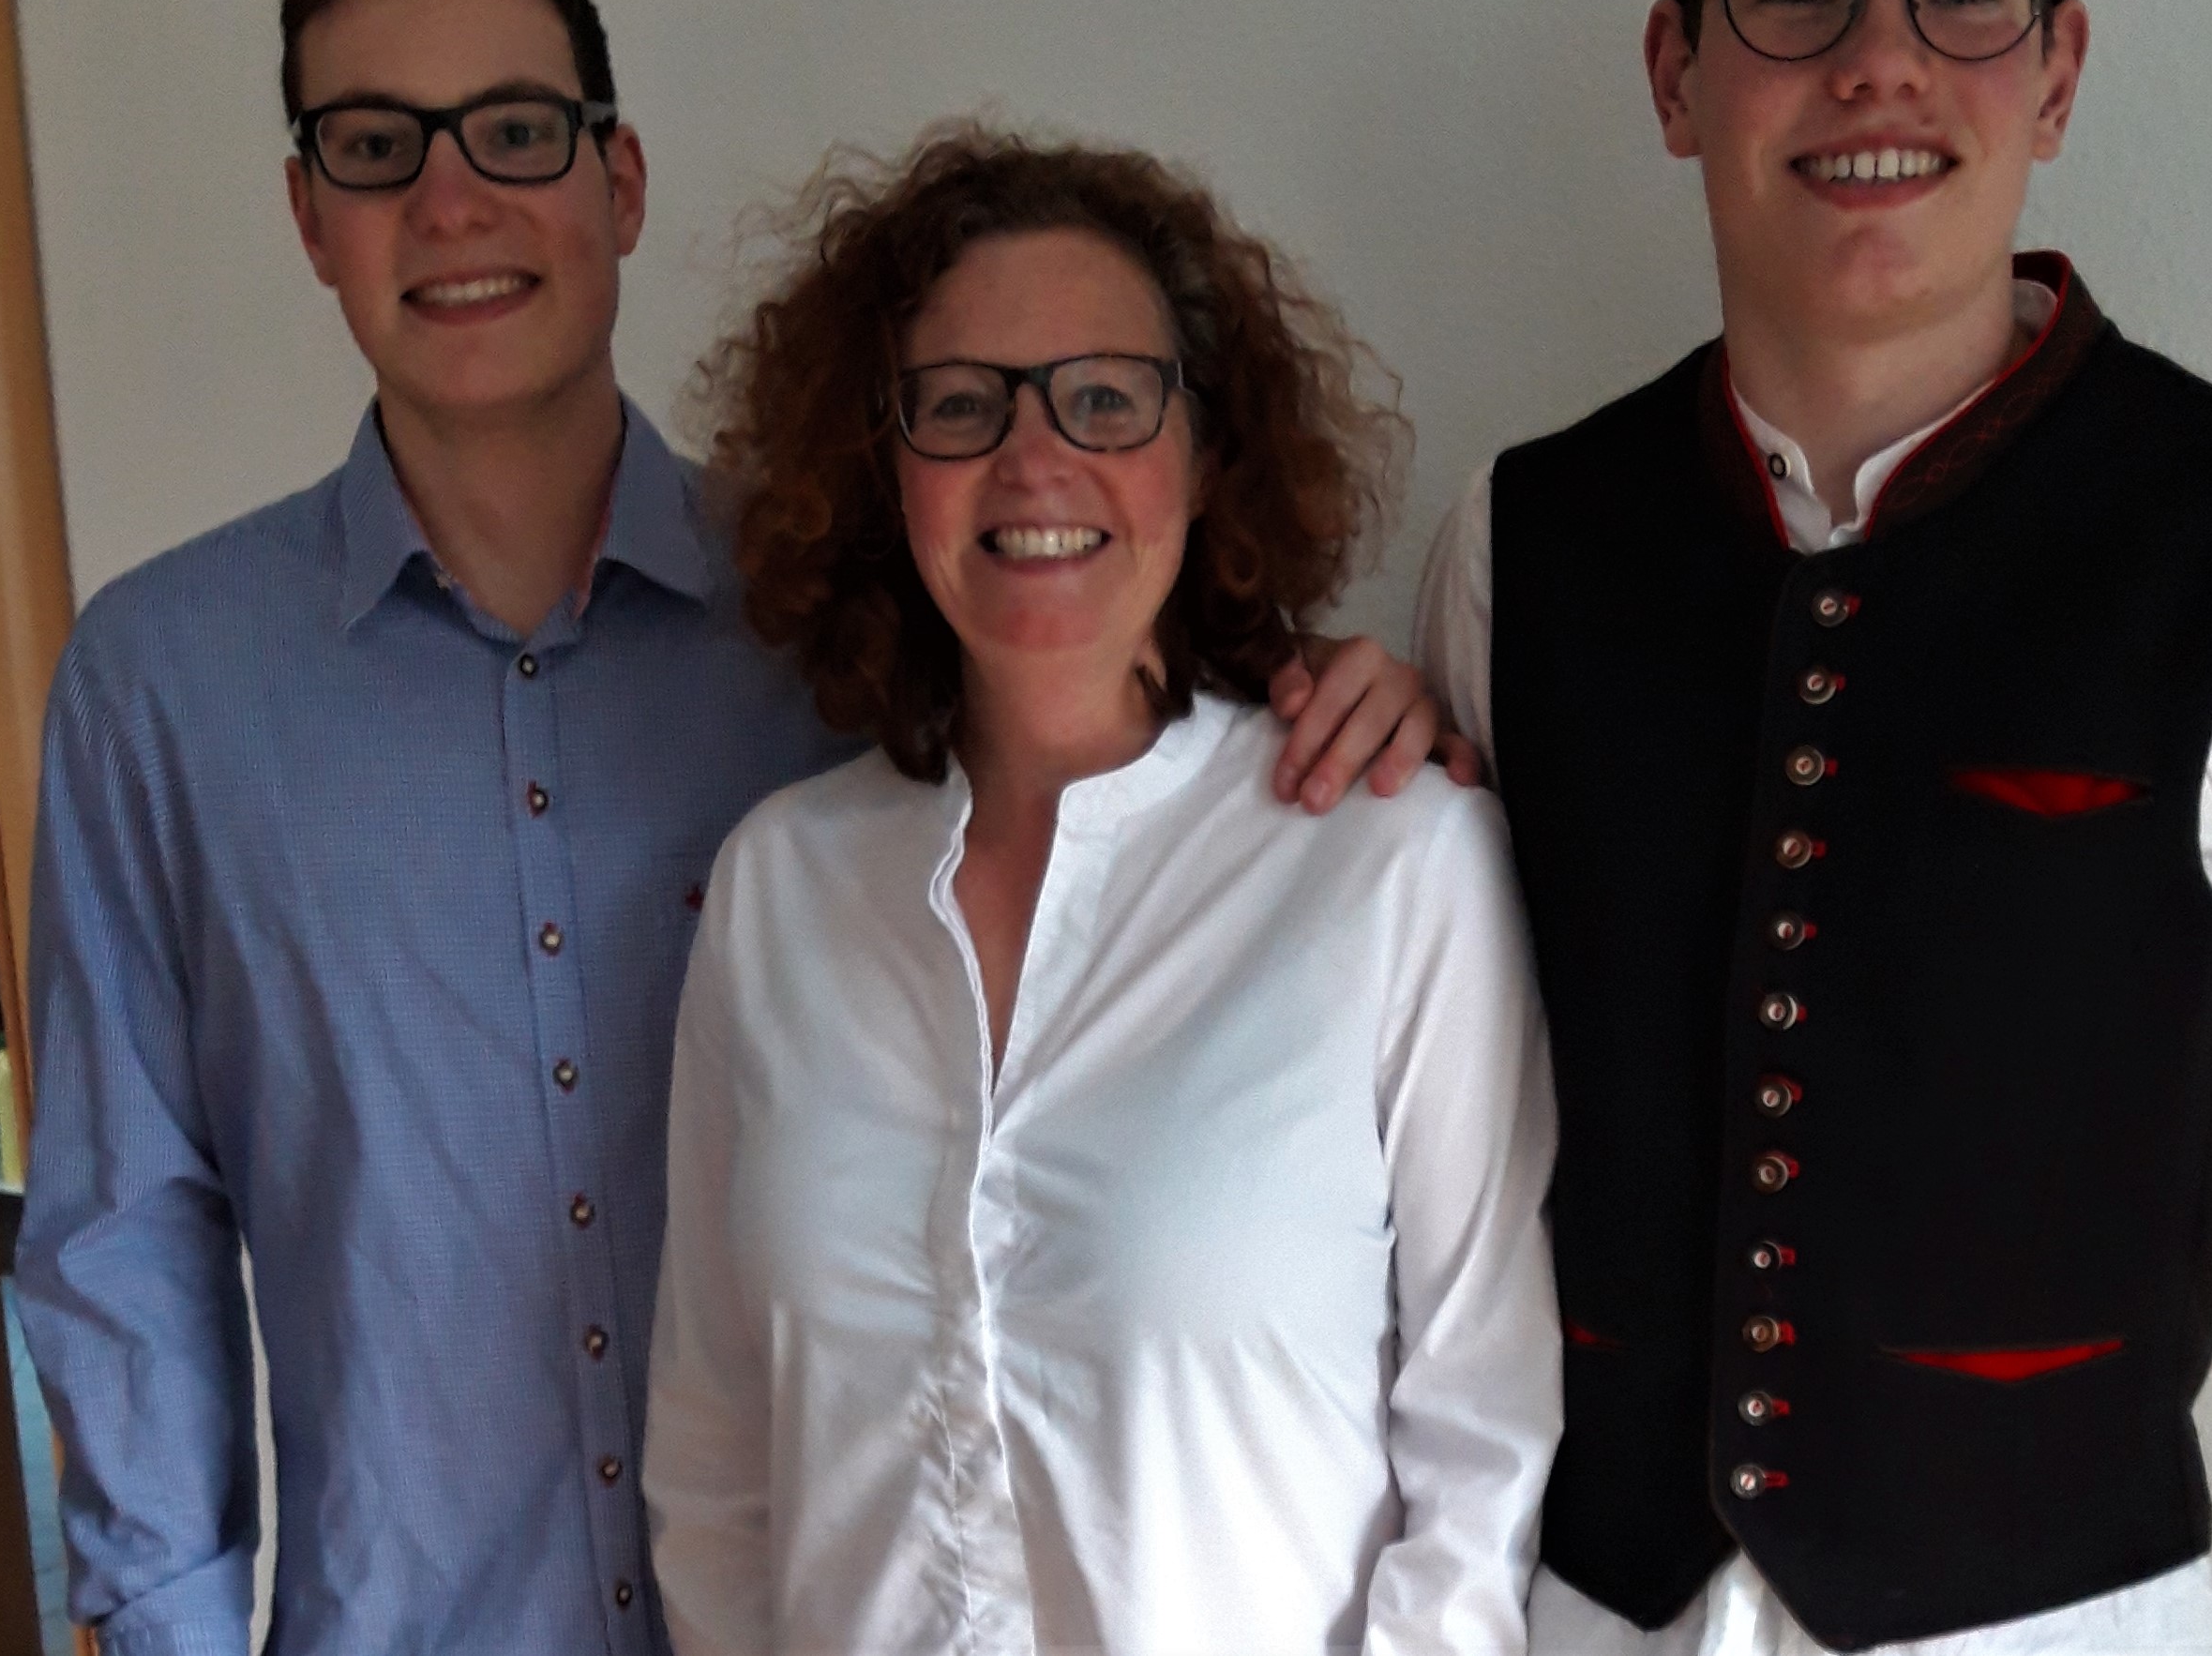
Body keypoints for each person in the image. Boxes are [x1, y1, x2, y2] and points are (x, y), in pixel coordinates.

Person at [15, 0, 1447, 1656]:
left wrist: (1335, 692)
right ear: (309, 213)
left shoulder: (848, 626)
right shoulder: (163, 689)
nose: (452, 199)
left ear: (619, 181)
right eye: (375, 147)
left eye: (516, 130)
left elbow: (1113, 744)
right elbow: (121, 1240)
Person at [1414, 0, 2212, 1656]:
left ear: (2056, 70)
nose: (1880, 64)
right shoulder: (1516, 541)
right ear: (1676, 69)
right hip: (1582, 1611)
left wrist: (2058, 1355)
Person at [645, 125, 1560, 1653]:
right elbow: (715, 1455)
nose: (1034, 457)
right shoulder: (777, 892)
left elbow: (1483, 1452)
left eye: (1107, 396)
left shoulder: (1391, 865)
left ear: (1206, 452)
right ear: (885, 466)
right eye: (960, 403)